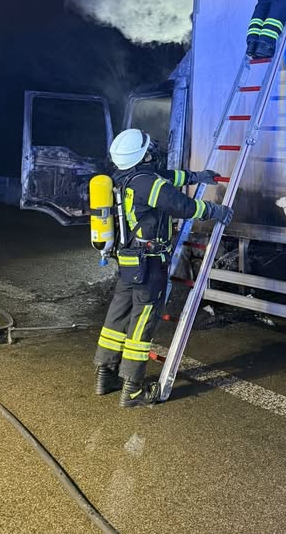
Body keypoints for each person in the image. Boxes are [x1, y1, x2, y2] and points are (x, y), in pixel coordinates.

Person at [93, 128, 233, 408]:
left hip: (128, 262)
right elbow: (180, 205)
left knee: (117, 318)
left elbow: (168, 178)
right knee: (142, 321)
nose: (152, 152)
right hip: (149, 263)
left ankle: (105, 376)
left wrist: (196, 176)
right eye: (148, 149)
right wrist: (213, 210)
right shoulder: (147, 182)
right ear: (142, 155)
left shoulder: (124, 178)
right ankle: (132, 390)